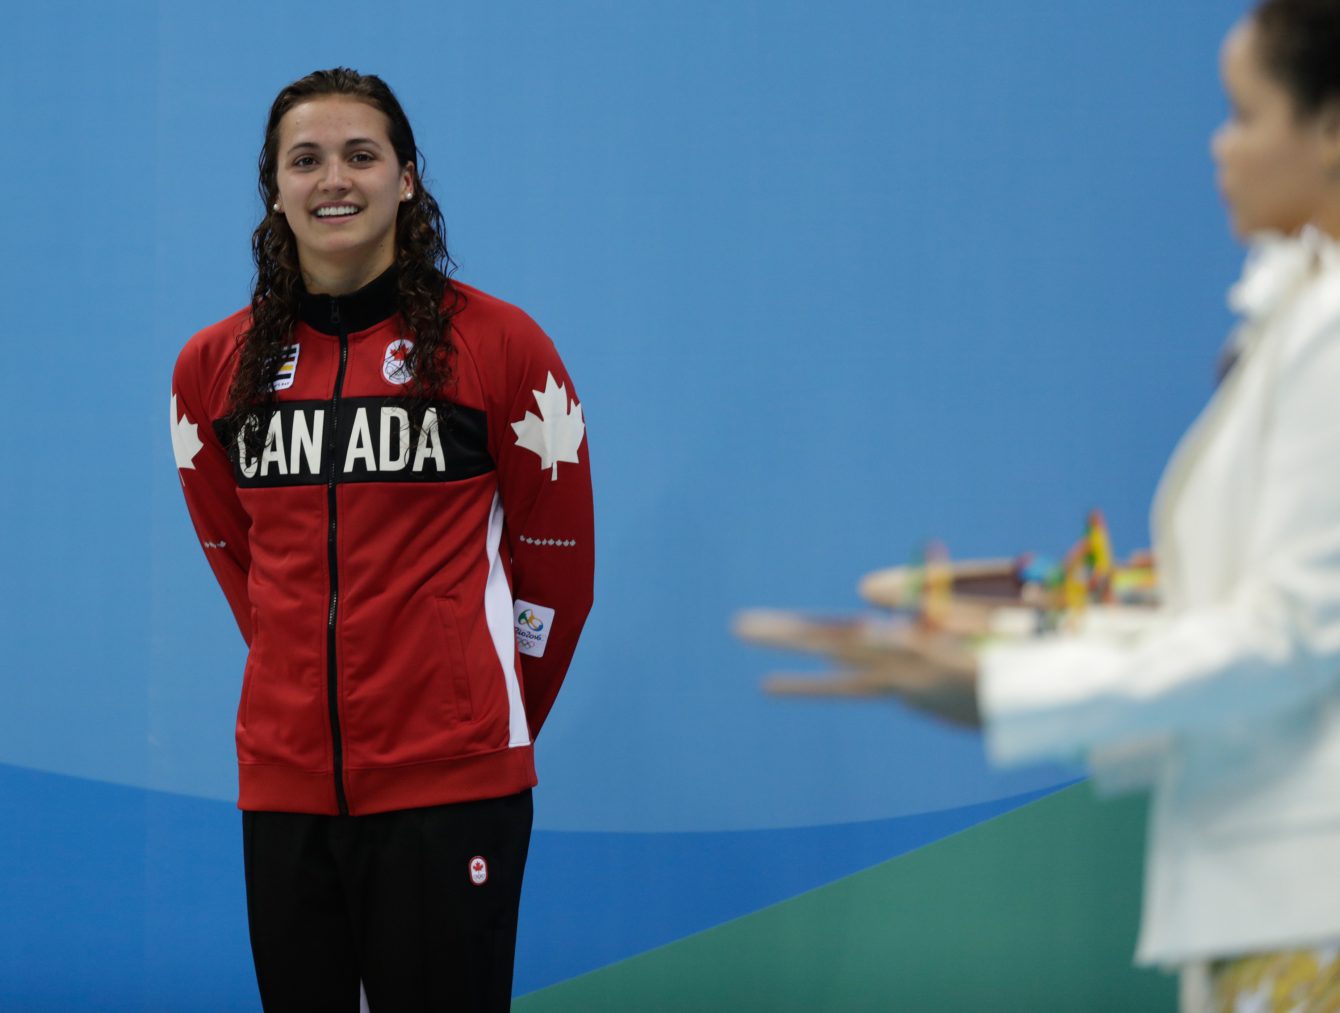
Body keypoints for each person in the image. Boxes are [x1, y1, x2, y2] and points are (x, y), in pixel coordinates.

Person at [839, 2, 1340, 1009]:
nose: (1217, 142)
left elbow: (1290, 634)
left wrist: (1010, 685)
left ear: (1328, 130)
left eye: (1241, 114)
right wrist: (1020, 650)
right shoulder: (1300, 314)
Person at [170, 68, 594, 1011]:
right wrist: (308, 699)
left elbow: (560, 576)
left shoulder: (504, 347)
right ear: (274, 186)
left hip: (452, 789)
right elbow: (239, 561)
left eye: (362, 155)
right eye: (306, 159)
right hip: (284, 790)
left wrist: (471, 716)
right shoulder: (214, 368)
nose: (335, 179)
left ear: (407, 178)